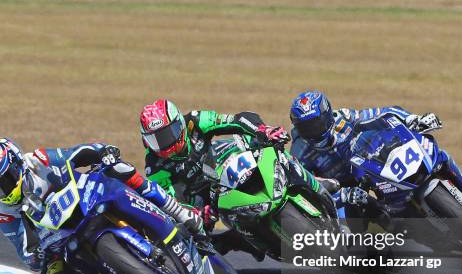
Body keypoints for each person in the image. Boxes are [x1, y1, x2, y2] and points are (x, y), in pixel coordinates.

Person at [0, 138, 203, 274]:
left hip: (87, 197)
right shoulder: (3, 211)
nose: (0, 190)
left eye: (4, 180)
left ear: (17, 166)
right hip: (61, 236)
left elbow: (75, 153)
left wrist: (101, 152)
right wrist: (40, 257)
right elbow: (25, 251)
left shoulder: (38, 160)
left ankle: (177, 210)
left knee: (119, 170)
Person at [140, 99, 333, 260]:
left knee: (263, 143)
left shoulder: (195, 121)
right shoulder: (155, 167)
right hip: (205, 195)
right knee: (198, 236)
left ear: (179, 123)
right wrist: (197, 212)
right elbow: (171, 203)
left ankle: (308, 179)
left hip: (226, 160)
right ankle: (240, 240)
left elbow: (236, 119)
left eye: (168, 134)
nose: (165, 144)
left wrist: (263, 130)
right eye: (156, 140)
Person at [289, 90, 462, 225]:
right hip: (345, 190)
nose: (313, 131)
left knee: (442, 157)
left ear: (327, 114)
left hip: (371, 168)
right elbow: (303, 181)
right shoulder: (300, 148)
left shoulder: (343, 118)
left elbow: (382, 113)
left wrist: (413, 119)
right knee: (346, 230)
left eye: (316, 124)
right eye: (306, 128)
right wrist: (339, 194)